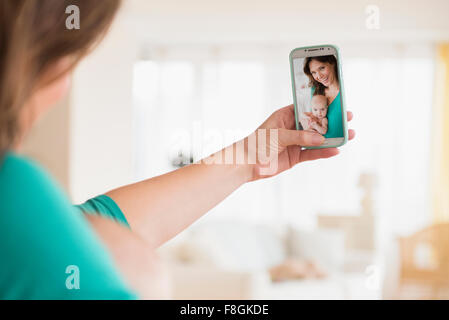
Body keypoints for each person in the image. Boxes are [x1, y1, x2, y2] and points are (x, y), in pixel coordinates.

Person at [0, 0, 355, 299]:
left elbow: (89, 224)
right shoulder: (14, 188)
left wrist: (250, 156)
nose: (65, 84)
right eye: (69, 60)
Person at [303, 55, 344, 139]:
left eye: (322, 68)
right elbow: (313, 116)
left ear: (332, 63)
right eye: (313, 72)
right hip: (317, 145)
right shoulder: (315, 90)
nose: (318, 76)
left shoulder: (345, 90)